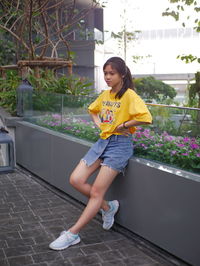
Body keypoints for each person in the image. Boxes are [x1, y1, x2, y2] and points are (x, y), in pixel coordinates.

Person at [49, 56, 152, 251]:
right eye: (105, 73)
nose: (107, 77)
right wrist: (99, 124)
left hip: (120, 145)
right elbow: (92, 109)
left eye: (111, 73)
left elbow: (146, 117)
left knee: (96, 191)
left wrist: (123, 125)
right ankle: (108, 207)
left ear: (122, 74)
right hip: (103, 141)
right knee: (76, 179)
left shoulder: (129, 95)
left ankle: (72, 234)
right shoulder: (106, 95)